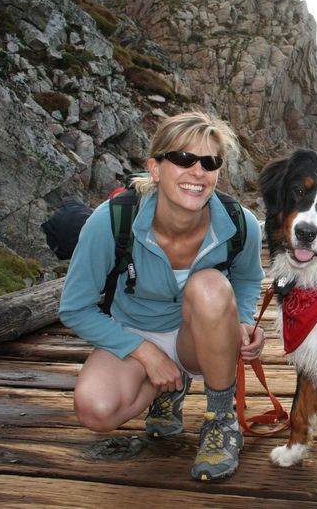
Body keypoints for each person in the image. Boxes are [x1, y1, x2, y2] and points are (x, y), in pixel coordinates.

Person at [59, 111, 265, 481]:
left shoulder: (239, 223)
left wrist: (246, 321)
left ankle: (221, 420)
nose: (197, 171)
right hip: (136, 332)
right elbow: (75, 308)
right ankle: (166, 389)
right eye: (183, 159)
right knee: (96, 409)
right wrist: (145, 352)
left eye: (209, 162)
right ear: (155, 168)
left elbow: (249, 279)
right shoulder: (112, 220)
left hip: (200, 339)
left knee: (211, 286)